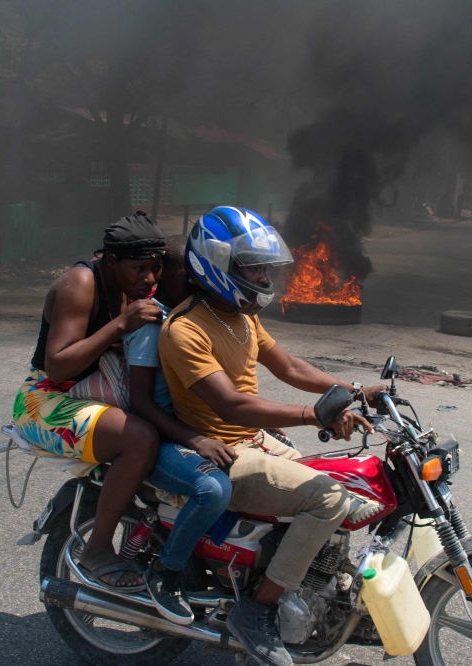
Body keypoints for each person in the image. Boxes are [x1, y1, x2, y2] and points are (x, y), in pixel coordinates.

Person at [159, 207, 384, 666]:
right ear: (216, 265)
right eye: (252, 266)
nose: (262, 276)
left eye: (264, 266)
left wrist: (355, 389)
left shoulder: (241, 317)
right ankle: (256, 610)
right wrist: (315, 415)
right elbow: (232, 406)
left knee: (343, 484)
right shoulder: (185, 330)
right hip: (222, 450)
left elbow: (291, 368)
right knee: (327, 500)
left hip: (256, 439)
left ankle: (298, 580)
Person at [12, 212, 165, 591]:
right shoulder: (80, 283)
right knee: (140, 439)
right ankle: (97, 549)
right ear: (111, 260)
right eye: (138, 268)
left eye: (155, 268)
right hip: (45, 400)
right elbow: (57, 364)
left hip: (93, 386)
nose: (149, 278)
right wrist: (119, 325)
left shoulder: (129, 284)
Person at [123, 235, 234, 625]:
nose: (197, 285)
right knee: (213, 489)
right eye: (189, 277)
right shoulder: (153, 324)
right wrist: (196, 439)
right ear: (165, 276)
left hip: (187, 427)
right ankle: (165, 573)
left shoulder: (188, 316)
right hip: (162, 437)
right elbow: (142, 401)